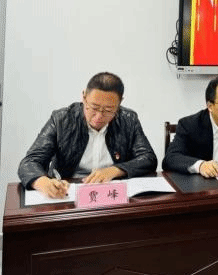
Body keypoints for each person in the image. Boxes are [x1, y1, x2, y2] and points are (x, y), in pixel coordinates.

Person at [18, 72, 157, 198]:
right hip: (69, 192)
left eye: (108, 110)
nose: (99, 116)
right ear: (84, 97)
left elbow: (148, 158)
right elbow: (29, 162)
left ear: (119, 103)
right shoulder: (61, 120)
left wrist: (115, 170)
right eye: (94, 107)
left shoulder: (128, 119)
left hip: (112, 192)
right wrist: (42, 181)